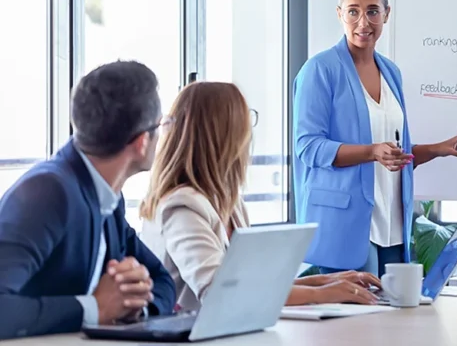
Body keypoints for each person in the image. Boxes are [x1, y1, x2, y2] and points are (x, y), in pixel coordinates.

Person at [292, 0, 457, 277]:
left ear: (386, 14)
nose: (363, 22)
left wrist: (436, 149)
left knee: (390, 320)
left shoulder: (391, 73)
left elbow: (392, 153)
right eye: (353, 12)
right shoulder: (320, 70)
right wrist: (371, 152)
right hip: (346, 226)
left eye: (372, 11)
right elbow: (309, 147)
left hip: (392, 220)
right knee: (352, 320)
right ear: (340, 14)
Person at [139, 82, 381, 312]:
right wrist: (320, 295)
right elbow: (221, 293)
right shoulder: (182, 205)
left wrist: (324, 282)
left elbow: (250, 286)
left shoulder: (230, 202)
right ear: (223, 135)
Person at [0, 61, 176, 340]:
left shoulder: (108, 195)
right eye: (162, 125)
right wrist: (94, 308)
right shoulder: (48, 193)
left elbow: (162, 280)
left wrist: (134, 308)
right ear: (142, 142)